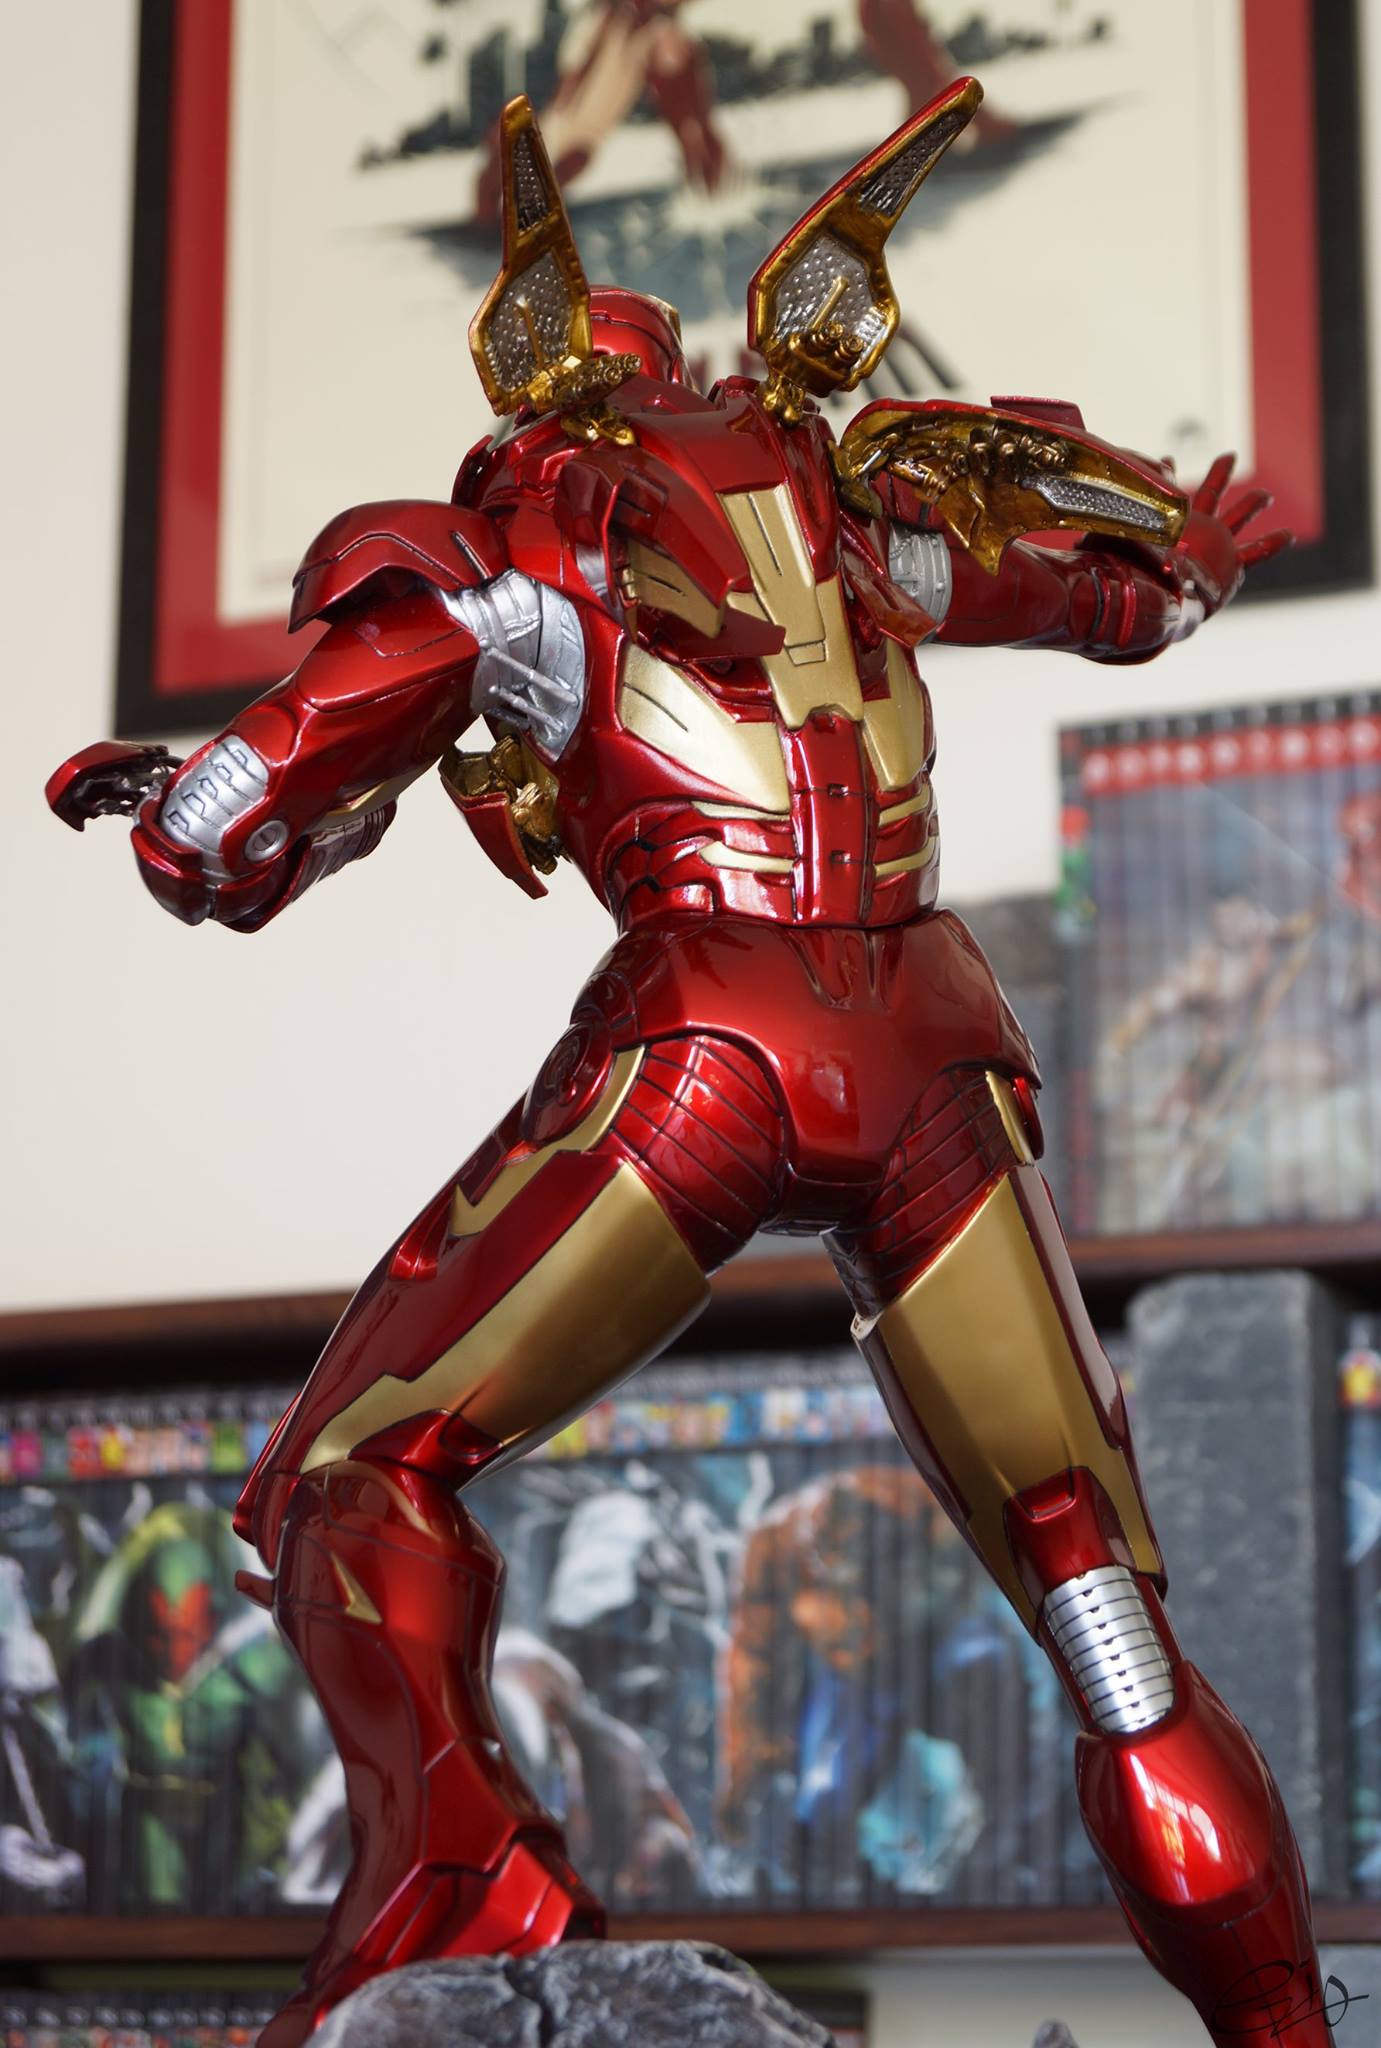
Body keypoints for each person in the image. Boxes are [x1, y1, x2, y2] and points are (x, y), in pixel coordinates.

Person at [50, 80, 1331, 2048]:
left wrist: (185, 803)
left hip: (711, 1041)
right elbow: (1112, 598)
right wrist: (1195, 571)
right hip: (932, 1053)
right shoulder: (845, 508)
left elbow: (253, 810)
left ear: (542, 374)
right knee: (1104, 1619)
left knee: (356, 1472)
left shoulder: (524, 537)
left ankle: (462, 1867)